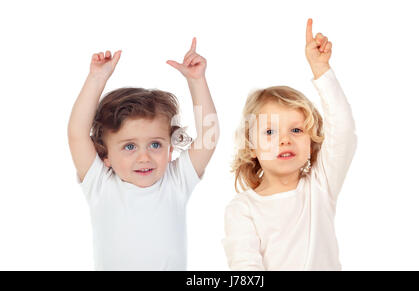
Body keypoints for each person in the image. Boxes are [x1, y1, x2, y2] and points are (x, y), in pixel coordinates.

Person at [67, 38, 219, 270]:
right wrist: (96, 79)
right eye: (129, 146)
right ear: (104, 154)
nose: (144, 157)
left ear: (170, 148)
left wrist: (196, 81)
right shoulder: (100, 184)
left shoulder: (176, 181)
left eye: (155, 145)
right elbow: (77, 133)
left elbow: (209, 136)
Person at [223, 18, 357, 270]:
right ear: (252, 146)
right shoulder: (242, 209)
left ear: (310, 141)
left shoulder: (320, 186)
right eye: (271, 132)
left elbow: (344, 129)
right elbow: (245, 267)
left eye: (296, 130)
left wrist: (321, 69)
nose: (285, 139)